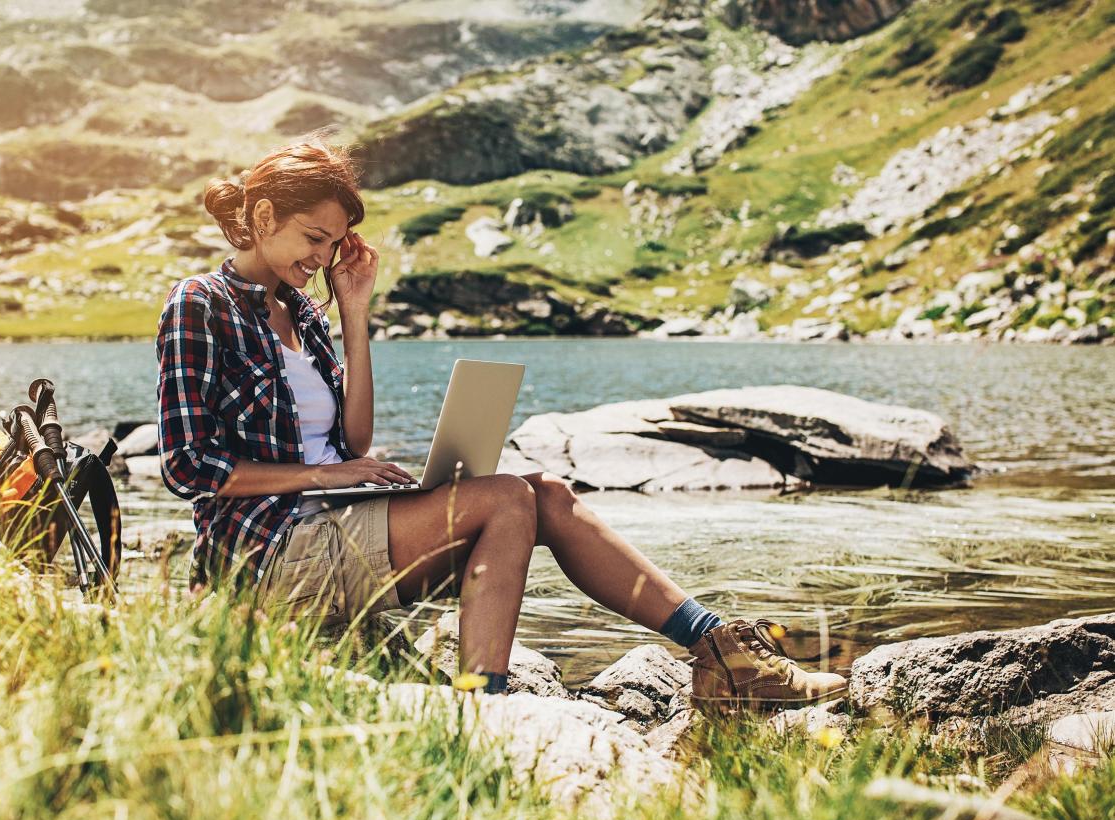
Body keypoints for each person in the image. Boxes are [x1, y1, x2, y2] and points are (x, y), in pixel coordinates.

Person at [155, 136, 846, 710]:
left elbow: (354, 441)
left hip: (333, 526)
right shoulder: (200, 304)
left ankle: (719, 649)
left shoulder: (308, 312)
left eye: (333, 245)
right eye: (314, 238)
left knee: (545, 492)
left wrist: (355, 314)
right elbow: (188, 468)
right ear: (266, 214)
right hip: (268, 553)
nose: (323, 257)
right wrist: (327, 474)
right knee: (507, 498)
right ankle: (482, 702)